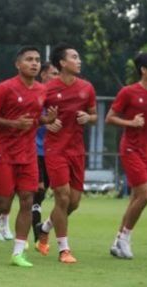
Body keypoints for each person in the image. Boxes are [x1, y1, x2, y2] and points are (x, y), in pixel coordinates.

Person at [0, 46, 57, 267]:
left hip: (28, 154)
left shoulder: (41, 90)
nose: (34, 63)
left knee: (27, 201)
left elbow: (33, 119)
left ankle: (18, 252)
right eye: (29, 59)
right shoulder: (5, 88)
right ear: (18, 64)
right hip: (3, 153)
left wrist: (46, 121)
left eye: (37, 60)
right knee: (3, 203)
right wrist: (13, 124)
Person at [106, 52, 147, 259]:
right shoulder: (128, 92)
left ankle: (118, 241)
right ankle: (125, 238)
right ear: (143, 70)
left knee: (136, 196)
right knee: (145, 195)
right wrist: (130, 123)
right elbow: (110, 118)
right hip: (130, 148)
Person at [36, 44, 97, 264]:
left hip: (77, 150)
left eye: (78, 56)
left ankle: (44, 227)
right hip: (55, 150)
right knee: (62, 196)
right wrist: (46, 123)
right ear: (62, 63)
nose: (79, 60)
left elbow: (94, 115)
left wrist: (87, 118)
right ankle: (64, 249)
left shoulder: (87, 88)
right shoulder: (47, 88)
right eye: (74, 57)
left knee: (73, 202)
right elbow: (35, 114)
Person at [31, 62, 59, 248]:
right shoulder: (37, 93)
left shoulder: (58, 98)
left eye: (58, 73)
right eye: (53, 73)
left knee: (41, 194)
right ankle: (37, 234)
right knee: (38, 189)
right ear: (43, 75)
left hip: (51, 152)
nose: (56, 77)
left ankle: (39, 229)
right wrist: (43, 123)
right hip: (33, 149)